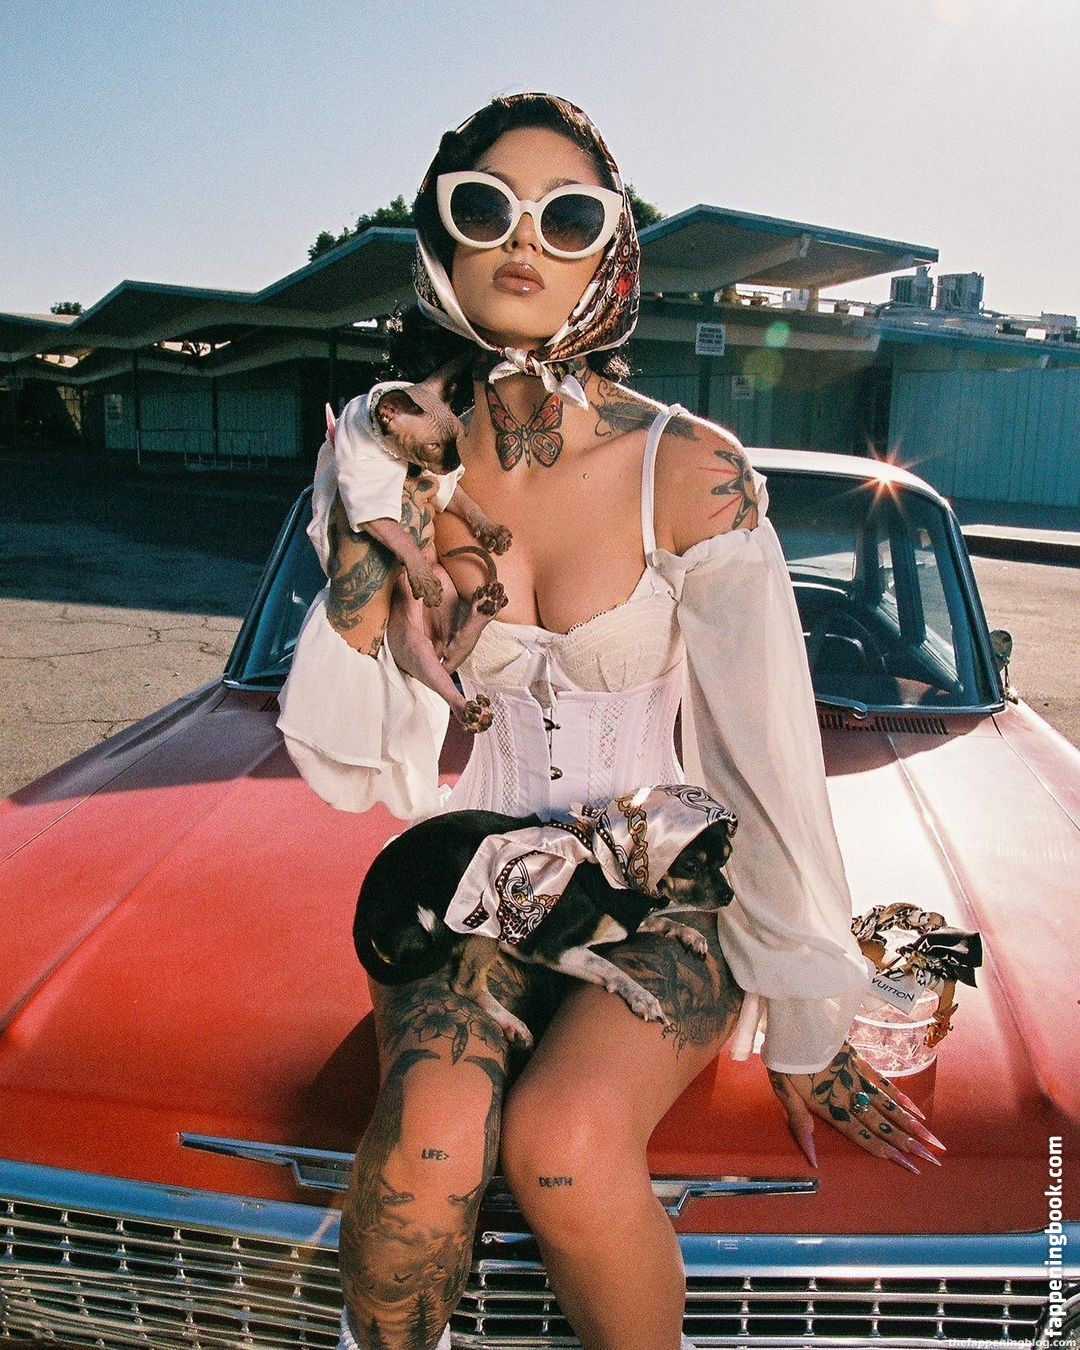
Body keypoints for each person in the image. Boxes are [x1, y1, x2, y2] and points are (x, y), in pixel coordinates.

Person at [280, 92, 944, 1350]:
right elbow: (351, 752)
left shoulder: (688, 468)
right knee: (425, 1153)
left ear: (610, 251)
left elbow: (765, 756)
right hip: (478, 873)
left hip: (670, 880)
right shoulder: (390, 458)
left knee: (566, 1144)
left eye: (568, 217)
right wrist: (375, 489)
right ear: (442, 234)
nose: (524, 241)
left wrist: (807, 1014)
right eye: (487, 207)